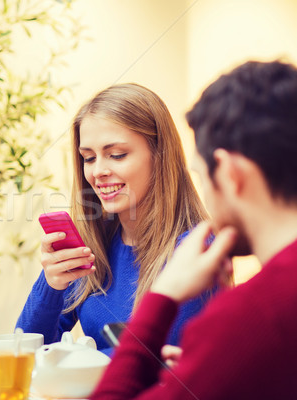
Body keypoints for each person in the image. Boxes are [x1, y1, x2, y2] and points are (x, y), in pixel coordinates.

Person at [92, 60, 297, 399]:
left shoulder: (251, 317)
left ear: (231, 174)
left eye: (202, 176)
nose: (99, 171)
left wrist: (163, 296)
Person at [17, 83, 213, 352]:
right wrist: (51, 285)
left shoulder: (196, 249)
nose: (98, 171)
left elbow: (155, 364)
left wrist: (74, 360)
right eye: (88, 158)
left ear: (159, 155)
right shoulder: (93, 246)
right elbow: (22, 351)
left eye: (116, 155)